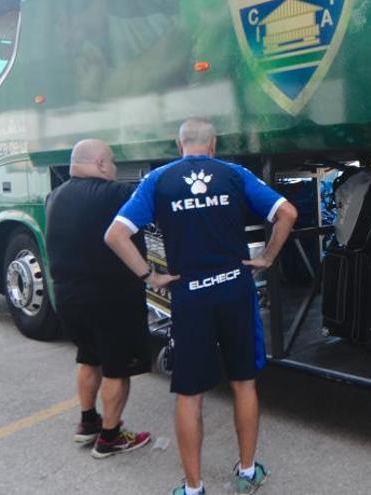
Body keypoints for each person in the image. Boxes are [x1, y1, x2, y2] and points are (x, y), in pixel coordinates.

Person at [105, 118, 298, 495]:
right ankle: (246, 474)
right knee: (244, 383)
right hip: (234, 290)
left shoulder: (158, 180)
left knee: (190, 394)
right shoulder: (234, 174)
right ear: (213, 146)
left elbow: (115, 234)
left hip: (190, 294)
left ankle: (193, 489)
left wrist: (149, 276)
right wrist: (268, 258)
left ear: (179, 147)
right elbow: (287, 213)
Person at [45, 139, 155, 458]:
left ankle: (87, 423)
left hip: (68, 299)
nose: (116, 168)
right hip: (111, 300)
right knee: (116, 369)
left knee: (88, 356)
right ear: (102, 165)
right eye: (113, 163)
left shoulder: (55, 196)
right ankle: (110, 437)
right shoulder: (116, 195)